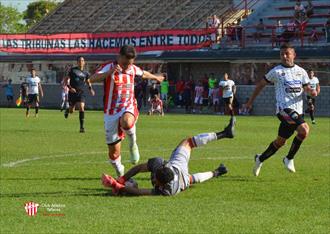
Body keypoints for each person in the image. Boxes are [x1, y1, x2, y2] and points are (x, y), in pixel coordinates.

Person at [101, 117, 235, 196]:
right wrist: (123, 179)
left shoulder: (168, 190)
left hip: (182, 178)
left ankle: (217, 171)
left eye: (154, 177)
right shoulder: (160, 165)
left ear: (160, 183)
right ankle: (224, 134)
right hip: (177, 165)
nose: (152, 176)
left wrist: (118, 186)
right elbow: (139, 168)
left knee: (192, 179)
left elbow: (141, 192)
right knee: (188, 143)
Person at [89, 45, 164, 176]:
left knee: (127, 122)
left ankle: (132, 143)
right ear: (119, 57)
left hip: (128, 106)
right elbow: (91, 78)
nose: (126, 67)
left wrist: (156, 77)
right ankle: (120, 173)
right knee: (113, 153)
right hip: (111, 112)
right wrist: (109, 72)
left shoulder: (132, 68)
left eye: (129, 64)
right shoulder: (109, 66)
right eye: (124, 64)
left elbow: (143, 73)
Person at [246, 43, 318, 176]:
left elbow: (306, 88)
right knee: (305, 129)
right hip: (283, 110)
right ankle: (289, 159)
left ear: (294, 55)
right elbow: (260, 85)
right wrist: (250, 101)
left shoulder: (301, 72)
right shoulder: (276, 72)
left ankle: (259, 159)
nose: (284, 56)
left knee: (280, 142)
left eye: (287, 53)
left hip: (297, 111)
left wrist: (311, 92)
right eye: (282, 54)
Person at [64, 56, 95, 133]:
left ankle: (82, 127)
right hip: (72, 93)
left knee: (81, 107)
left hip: (81, 93)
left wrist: (91, 89)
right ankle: (68, 110)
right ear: (77, 62)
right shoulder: (72, 70)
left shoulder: (86, 73)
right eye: (80, 60)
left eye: (82, 60)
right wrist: (70, 88)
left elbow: (88, 82)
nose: (81, 62)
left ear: (84, 62)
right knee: (72, 111)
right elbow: (66, 80)